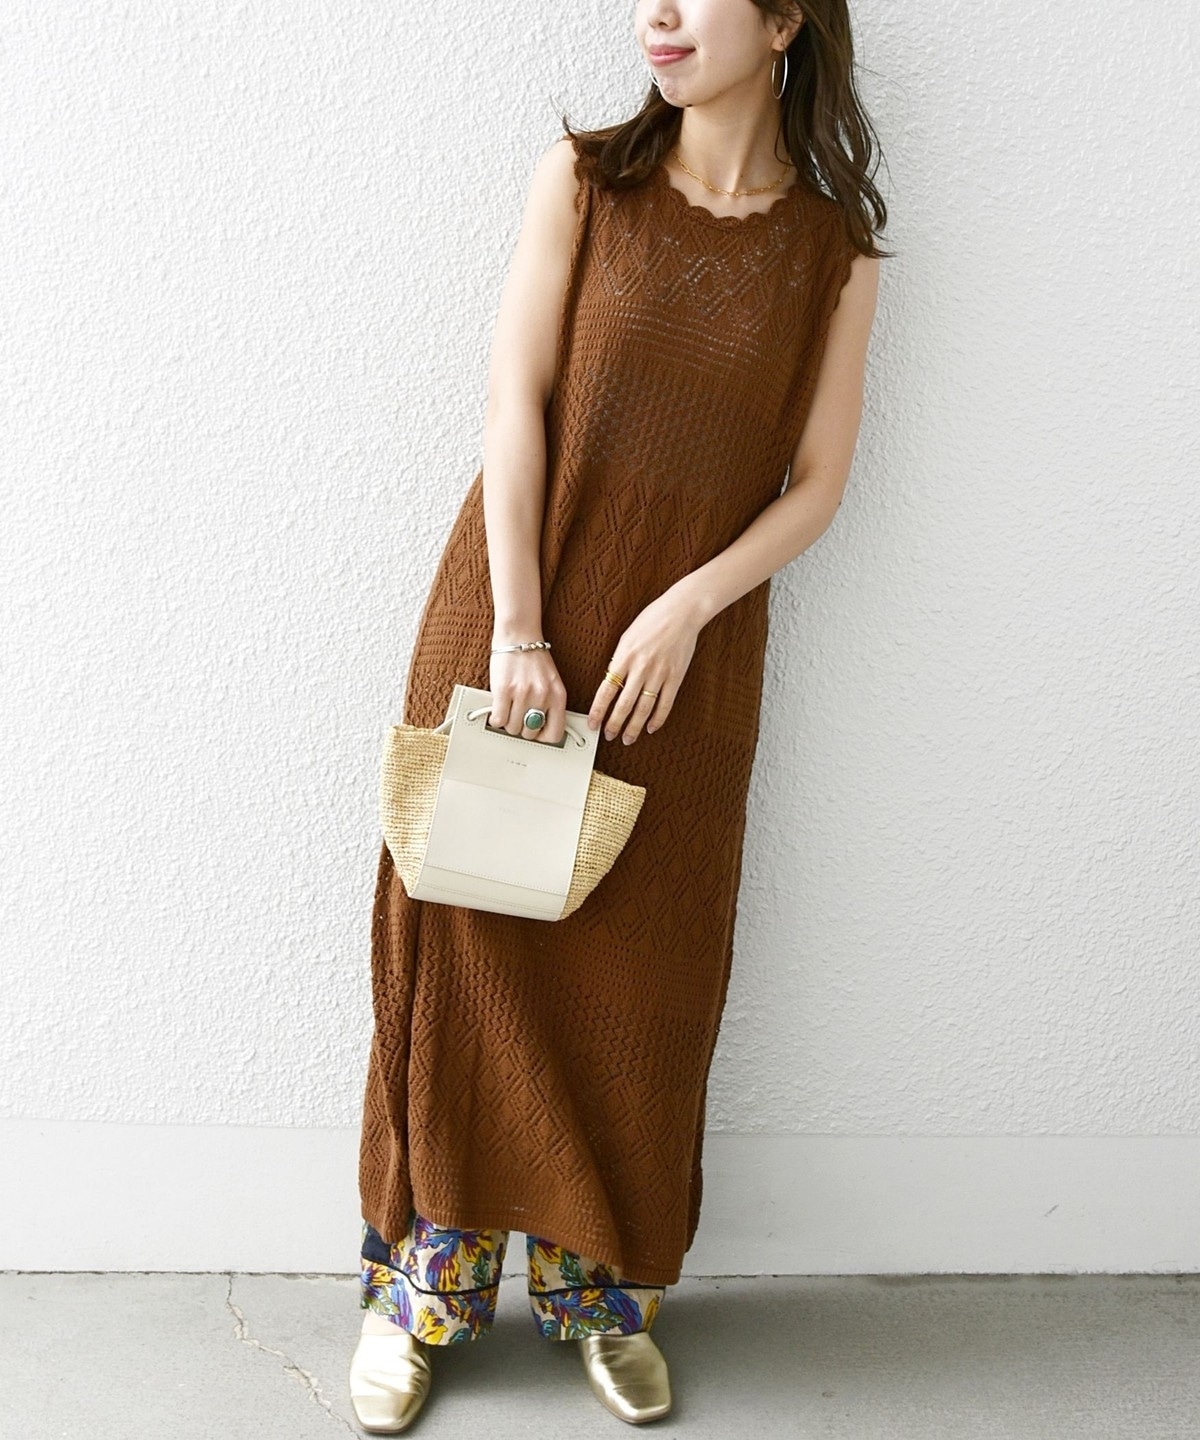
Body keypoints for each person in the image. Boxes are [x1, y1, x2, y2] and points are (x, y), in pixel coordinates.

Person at [349, 0, 887, 1429]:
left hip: (677, 668)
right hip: (516, 615)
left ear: (783, 20)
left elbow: (819, 484)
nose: (655, 12)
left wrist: (690, 606)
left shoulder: (833, 250)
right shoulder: (586, 180)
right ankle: (423, 1298)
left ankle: (606, 1297)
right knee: (470, 958)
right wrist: (521, 630)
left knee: (642, 981)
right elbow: (514, 404)